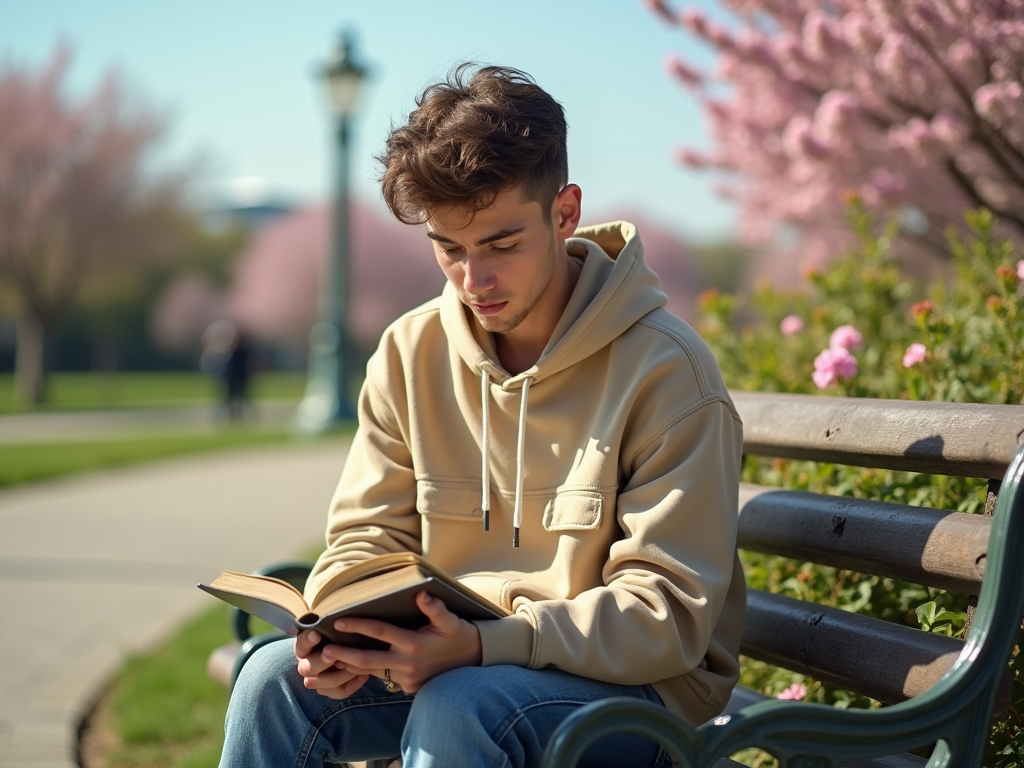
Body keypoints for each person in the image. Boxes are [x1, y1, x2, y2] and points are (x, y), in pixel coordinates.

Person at [219, 64, 745, 768]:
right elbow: (363, 537)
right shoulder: (410, 353)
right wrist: (341, 634)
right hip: (454, 662)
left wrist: (485, 645)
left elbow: (665, 616)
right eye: (449, 249)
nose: (475, 281)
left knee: (462, 704)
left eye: (501, 245)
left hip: (633, 696)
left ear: (564, 213)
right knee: (269, 682)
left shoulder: (665, 371)